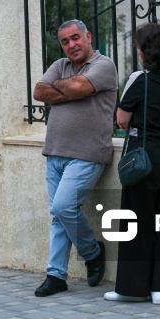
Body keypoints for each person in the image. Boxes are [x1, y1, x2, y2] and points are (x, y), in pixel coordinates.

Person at [33, 19, 118, 297]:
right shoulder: (60, 65)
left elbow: (81, 87)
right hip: (55, 152)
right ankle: (56, 275)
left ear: (87, 36)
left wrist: (62, 89)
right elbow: (39, 92)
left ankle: (92, 252)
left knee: (63, 208)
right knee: (58, 215)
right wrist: (70, 87)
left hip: (87, 154)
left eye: (75, 38)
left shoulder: (104, 66)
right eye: (65, 41)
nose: (71, 45)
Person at [104, 23, 160, 305]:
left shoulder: (140, 79)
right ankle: (159, 289)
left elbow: (122, 120)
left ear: (145, 51)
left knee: (136, 224)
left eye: (139, 46)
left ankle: (131, 288)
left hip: (146, 161)